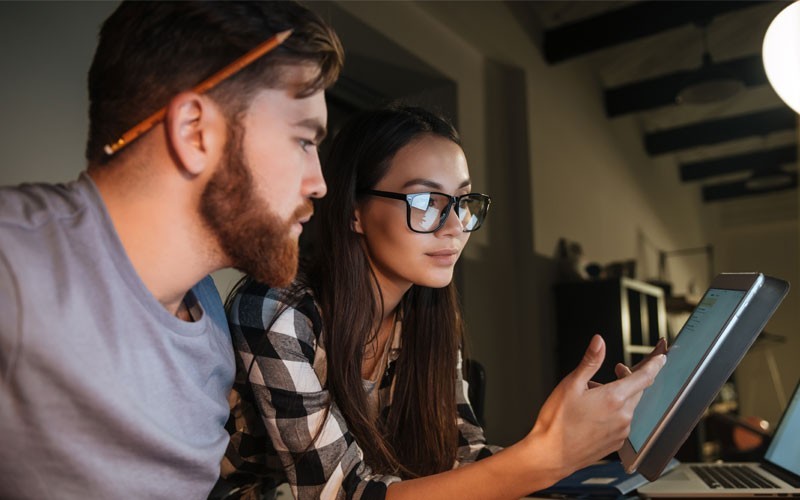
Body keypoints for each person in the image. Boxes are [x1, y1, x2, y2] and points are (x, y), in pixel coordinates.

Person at [222, 105, 667, 499]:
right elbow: (344, 494)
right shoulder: (279, 311)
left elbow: (462, 458)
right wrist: (547, 454)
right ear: (354, 211)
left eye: (463, 202)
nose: (455, 226)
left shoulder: (427, 314)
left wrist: (582, 434)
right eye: (426, 201)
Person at [0, 2, 343, 498]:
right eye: (303, 140)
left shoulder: (209, 324)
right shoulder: (15, 266)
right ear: (194, 132)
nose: (319, 184)